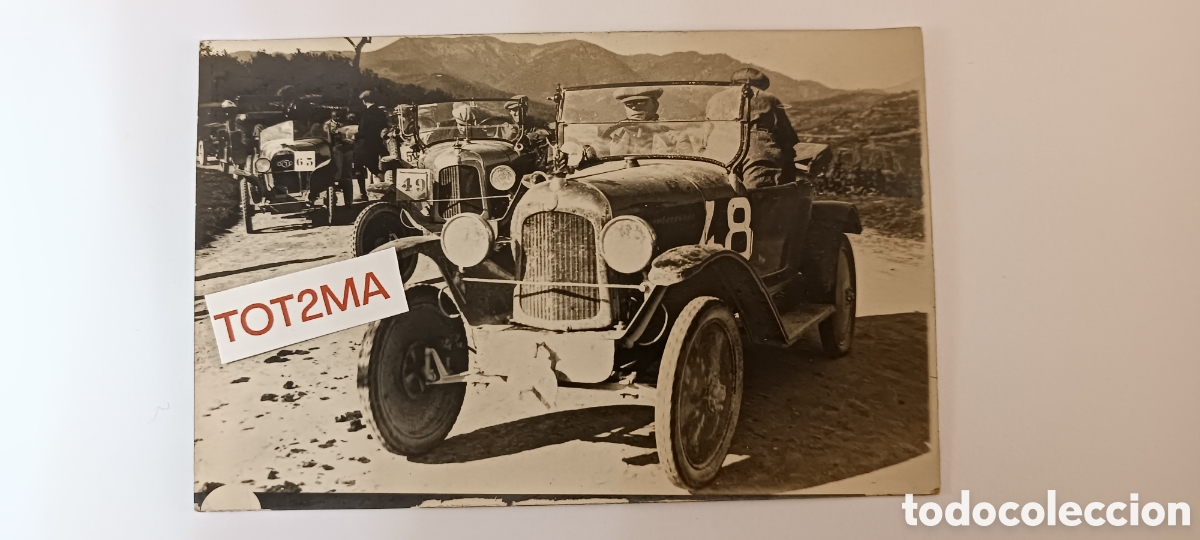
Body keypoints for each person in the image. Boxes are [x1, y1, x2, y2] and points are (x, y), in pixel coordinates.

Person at [716, 68, 801, 189]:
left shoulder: (715, 99)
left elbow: (707, 133)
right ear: (760, 84)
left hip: (720, 151)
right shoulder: (769, 98)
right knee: (762, 196)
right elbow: (787, 135)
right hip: (758, 151)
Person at [604, 87, 680, 155]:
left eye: (641, 102)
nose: (634, 107)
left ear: (655, 105)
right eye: (629, 104)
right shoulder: (613, 135)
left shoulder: (674, 137)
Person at [354, 91, 389, 202]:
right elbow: (384, 127)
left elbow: (363, 131)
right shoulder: (381, 112)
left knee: (358, 166)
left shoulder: (365, 114)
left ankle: (363, 194)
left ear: (364, 101)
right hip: (376, 143)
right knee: (374, 168)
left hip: (364, 145)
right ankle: (391, 187)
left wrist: (355, 135)